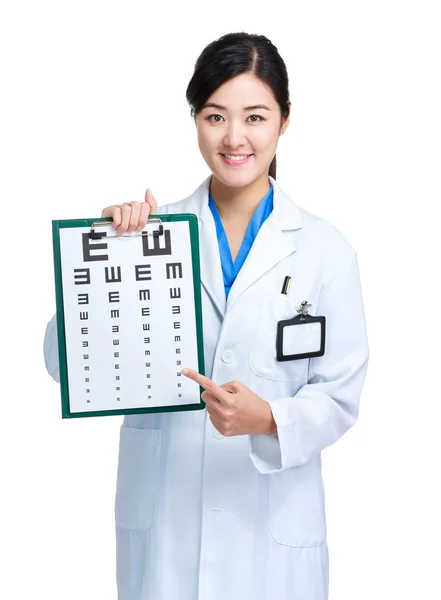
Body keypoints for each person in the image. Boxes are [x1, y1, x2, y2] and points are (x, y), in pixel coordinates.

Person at [43, 32, 369, 600]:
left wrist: (269, 418)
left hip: (272, 537)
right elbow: (63, 363)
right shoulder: (148, 235)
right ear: (195, 118)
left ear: (284, 122)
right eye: (216, 116)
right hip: (168, 527)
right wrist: (105, 258)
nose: (235, 137)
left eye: (255, 116)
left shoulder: (324, 249)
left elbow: (339, 397)